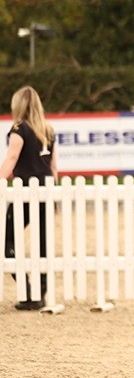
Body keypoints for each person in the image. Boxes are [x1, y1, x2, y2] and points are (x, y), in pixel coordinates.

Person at [1, 86, 58, 310]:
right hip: (46, 189)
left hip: (24, 192)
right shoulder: (48, 129)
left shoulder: (19, 128)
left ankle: (27, 289)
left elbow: (12, 158)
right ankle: (39, 294)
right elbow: (53, 167)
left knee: (7, 241)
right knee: (43, 242)